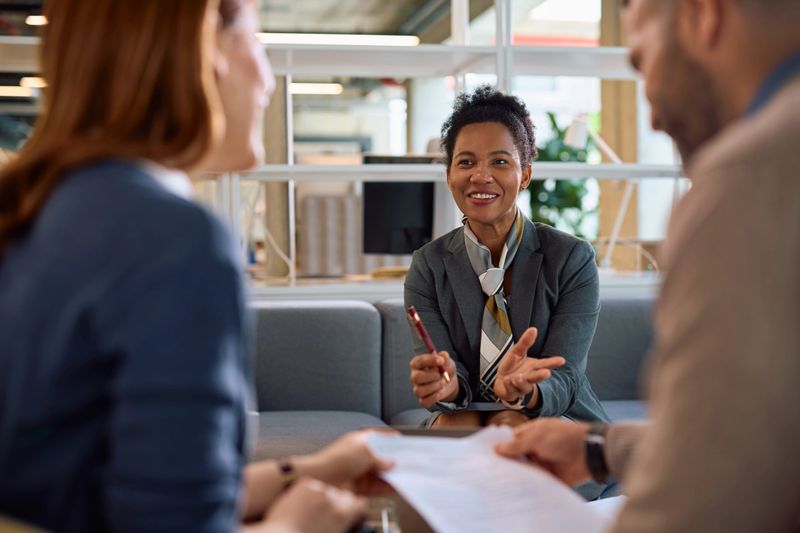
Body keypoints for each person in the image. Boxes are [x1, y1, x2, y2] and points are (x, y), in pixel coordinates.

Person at [0, 1, 389, 532]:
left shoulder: (34, 209)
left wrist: (311, 471)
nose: (268, 80)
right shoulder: (173, 240)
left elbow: (120, 497)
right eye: (258, 41)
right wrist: (300, 524)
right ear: (208, 42)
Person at [497, 0, 800, 530]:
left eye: (642, 63)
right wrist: (603, 449)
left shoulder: (749, 180)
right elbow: (755, 437)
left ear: (704, 16)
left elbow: (699, 505)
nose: (653, 115)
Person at [405, 86, 609, 431]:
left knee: (510, 422)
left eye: (500, 162)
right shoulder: (428, 265)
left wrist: (526, 392)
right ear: (449, 175)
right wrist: (448, 386)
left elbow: (566, 376)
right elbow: (445, 377)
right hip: (463, 414)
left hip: (550, 413)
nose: (480, 176)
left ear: (525, 174)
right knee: (460, 427)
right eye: (466, 162)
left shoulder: (571, 258)